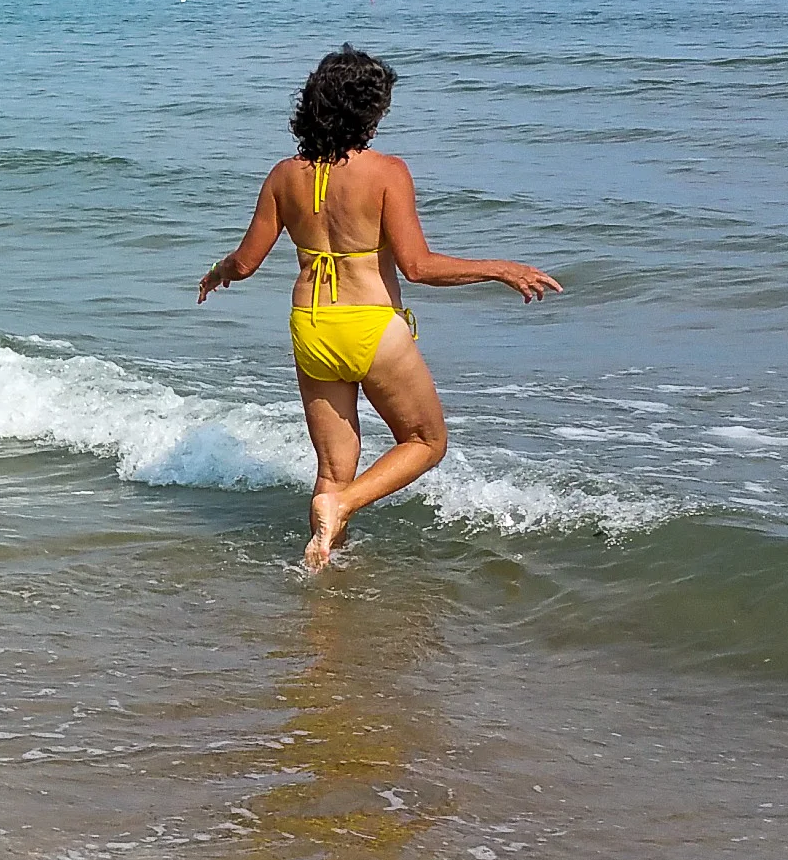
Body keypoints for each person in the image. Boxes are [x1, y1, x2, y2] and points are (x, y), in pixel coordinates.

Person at [199, 46, 562, 568]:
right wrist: (499, 268)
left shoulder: (283, 176)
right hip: (371, 325)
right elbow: (417, 266)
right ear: (368, 110)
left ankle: (322, 566)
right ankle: (342, 507)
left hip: (312, 327)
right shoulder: (388, 172)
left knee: (333, 469)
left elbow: (245, 262)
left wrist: (217, 273)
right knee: (426, 441)